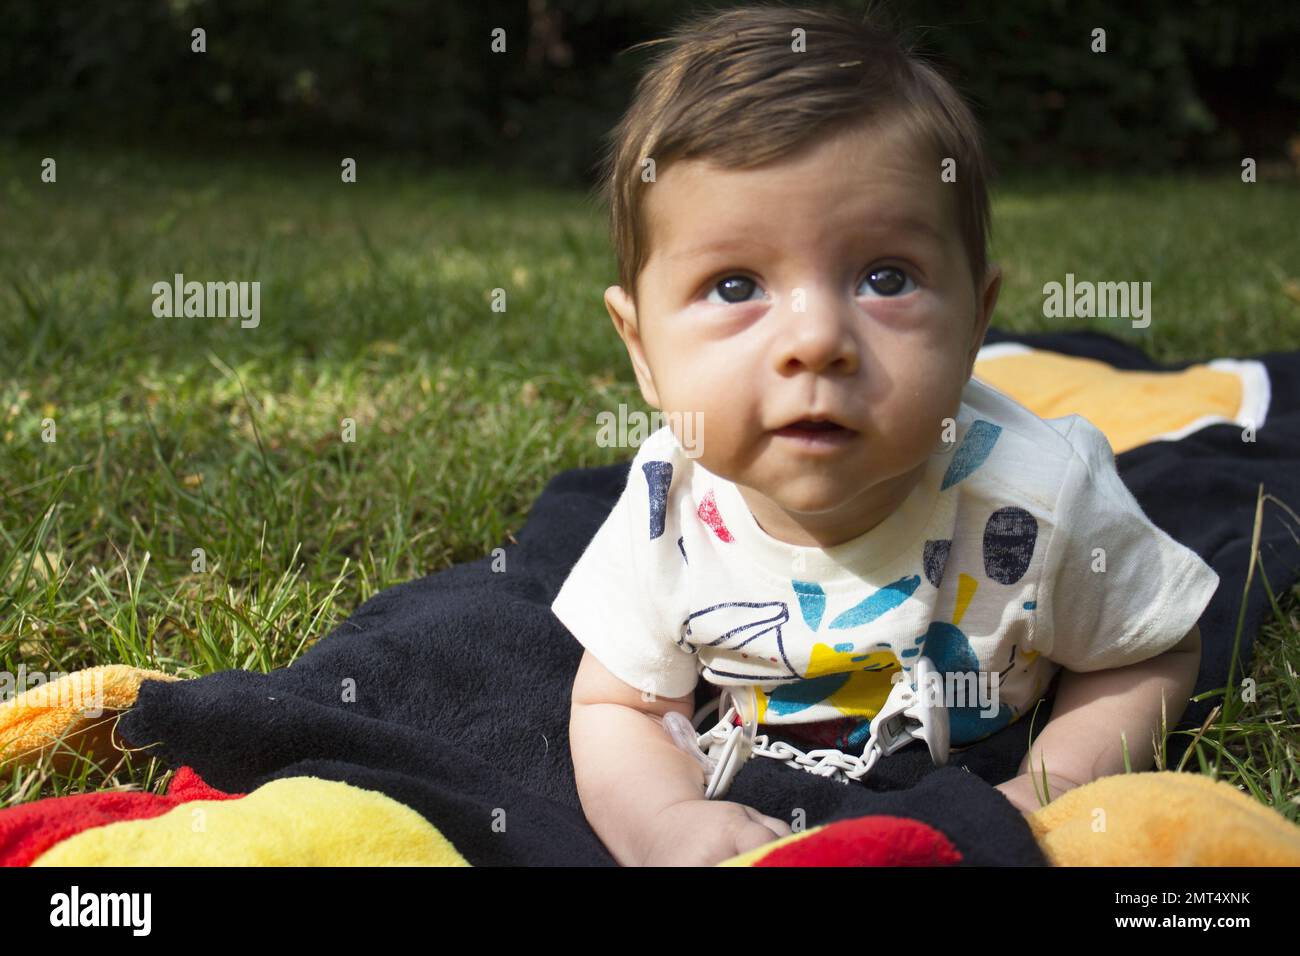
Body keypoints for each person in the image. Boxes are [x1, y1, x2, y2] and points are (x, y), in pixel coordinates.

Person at [552, 4, 1216, 867]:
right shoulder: (664, 508)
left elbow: (1150, 652)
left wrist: (1045, 794)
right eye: (733, 284)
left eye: (884, 277)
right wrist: (665, 823)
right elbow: (623, 706)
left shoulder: (1041, 497)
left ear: (974, 323)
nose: (814, 338)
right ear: (642, 351)